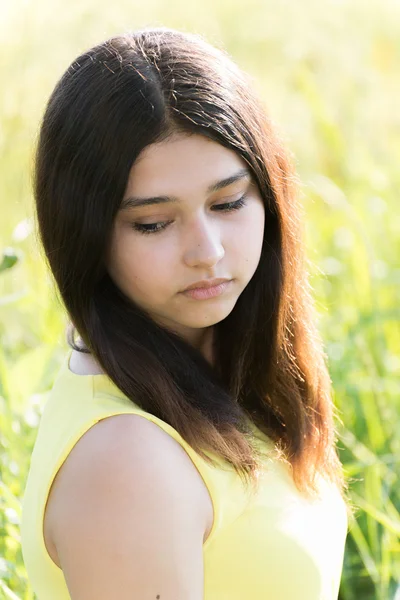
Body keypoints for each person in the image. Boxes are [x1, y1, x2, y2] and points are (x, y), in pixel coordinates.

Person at [20, 26, 352, 600]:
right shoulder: (127, 464)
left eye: (227, 203)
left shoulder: (226, 365)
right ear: (87, 236)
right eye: (153, 223)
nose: (208, 252)